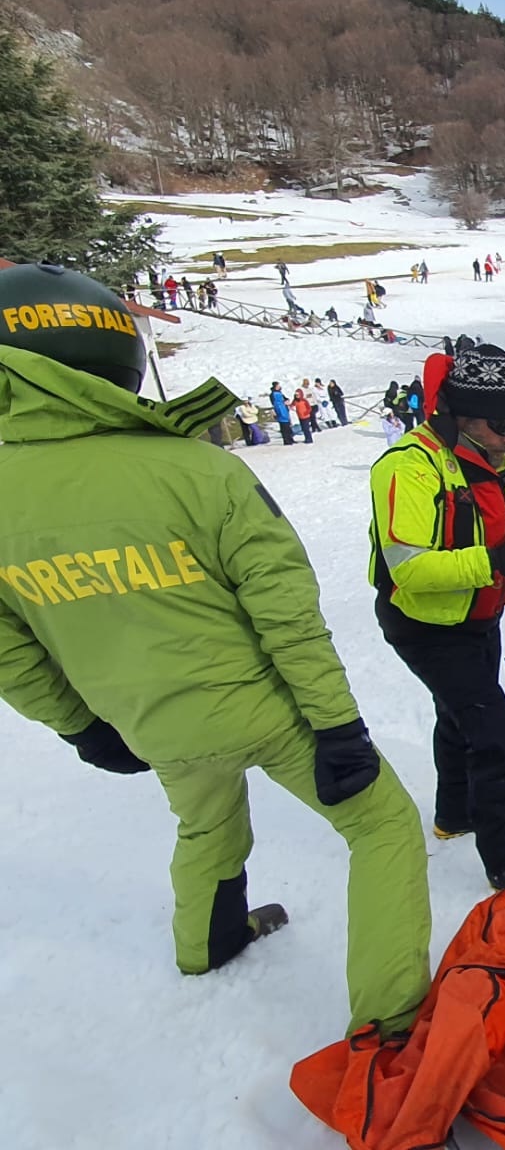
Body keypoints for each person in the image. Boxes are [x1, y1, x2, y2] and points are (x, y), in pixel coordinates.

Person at [0, 263, 431, 1038]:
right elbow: (288, 619)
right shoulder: (200, 471)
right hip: (263, 712)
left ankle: (207, 945)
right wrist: (337, 726)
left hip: (150, 724)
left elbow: (11, 654)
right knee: (383, 826)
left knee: (206, 827)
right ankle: (389, 1022)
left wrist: (82, 728)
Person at [369, 345, 505, 892]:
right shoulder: (407, 467)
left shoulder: (501, 464)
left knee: (457, 715)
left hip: (478, 617)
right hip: (424, 625)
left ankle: (455, 813)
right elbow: (409, 568)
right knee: (496, 737)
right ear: (463, 415)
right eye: (504, 425)